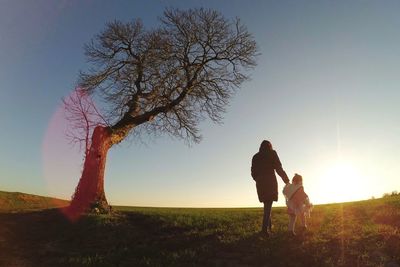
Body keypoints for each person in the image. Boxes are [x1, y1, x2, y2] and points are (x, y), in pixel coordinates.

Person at [251, 140, 290, 237]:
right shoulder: (272, 153)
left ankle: (269, 228)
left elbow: (253, 171)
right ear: (270, 146)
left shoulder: (255, 157)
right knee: (268, 206)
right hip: (270, 181)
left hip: (260, 183)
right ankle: (264, 231)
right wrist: (286, 180)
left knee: (267, 205)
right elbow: (278, 168)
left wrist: (258, 179)